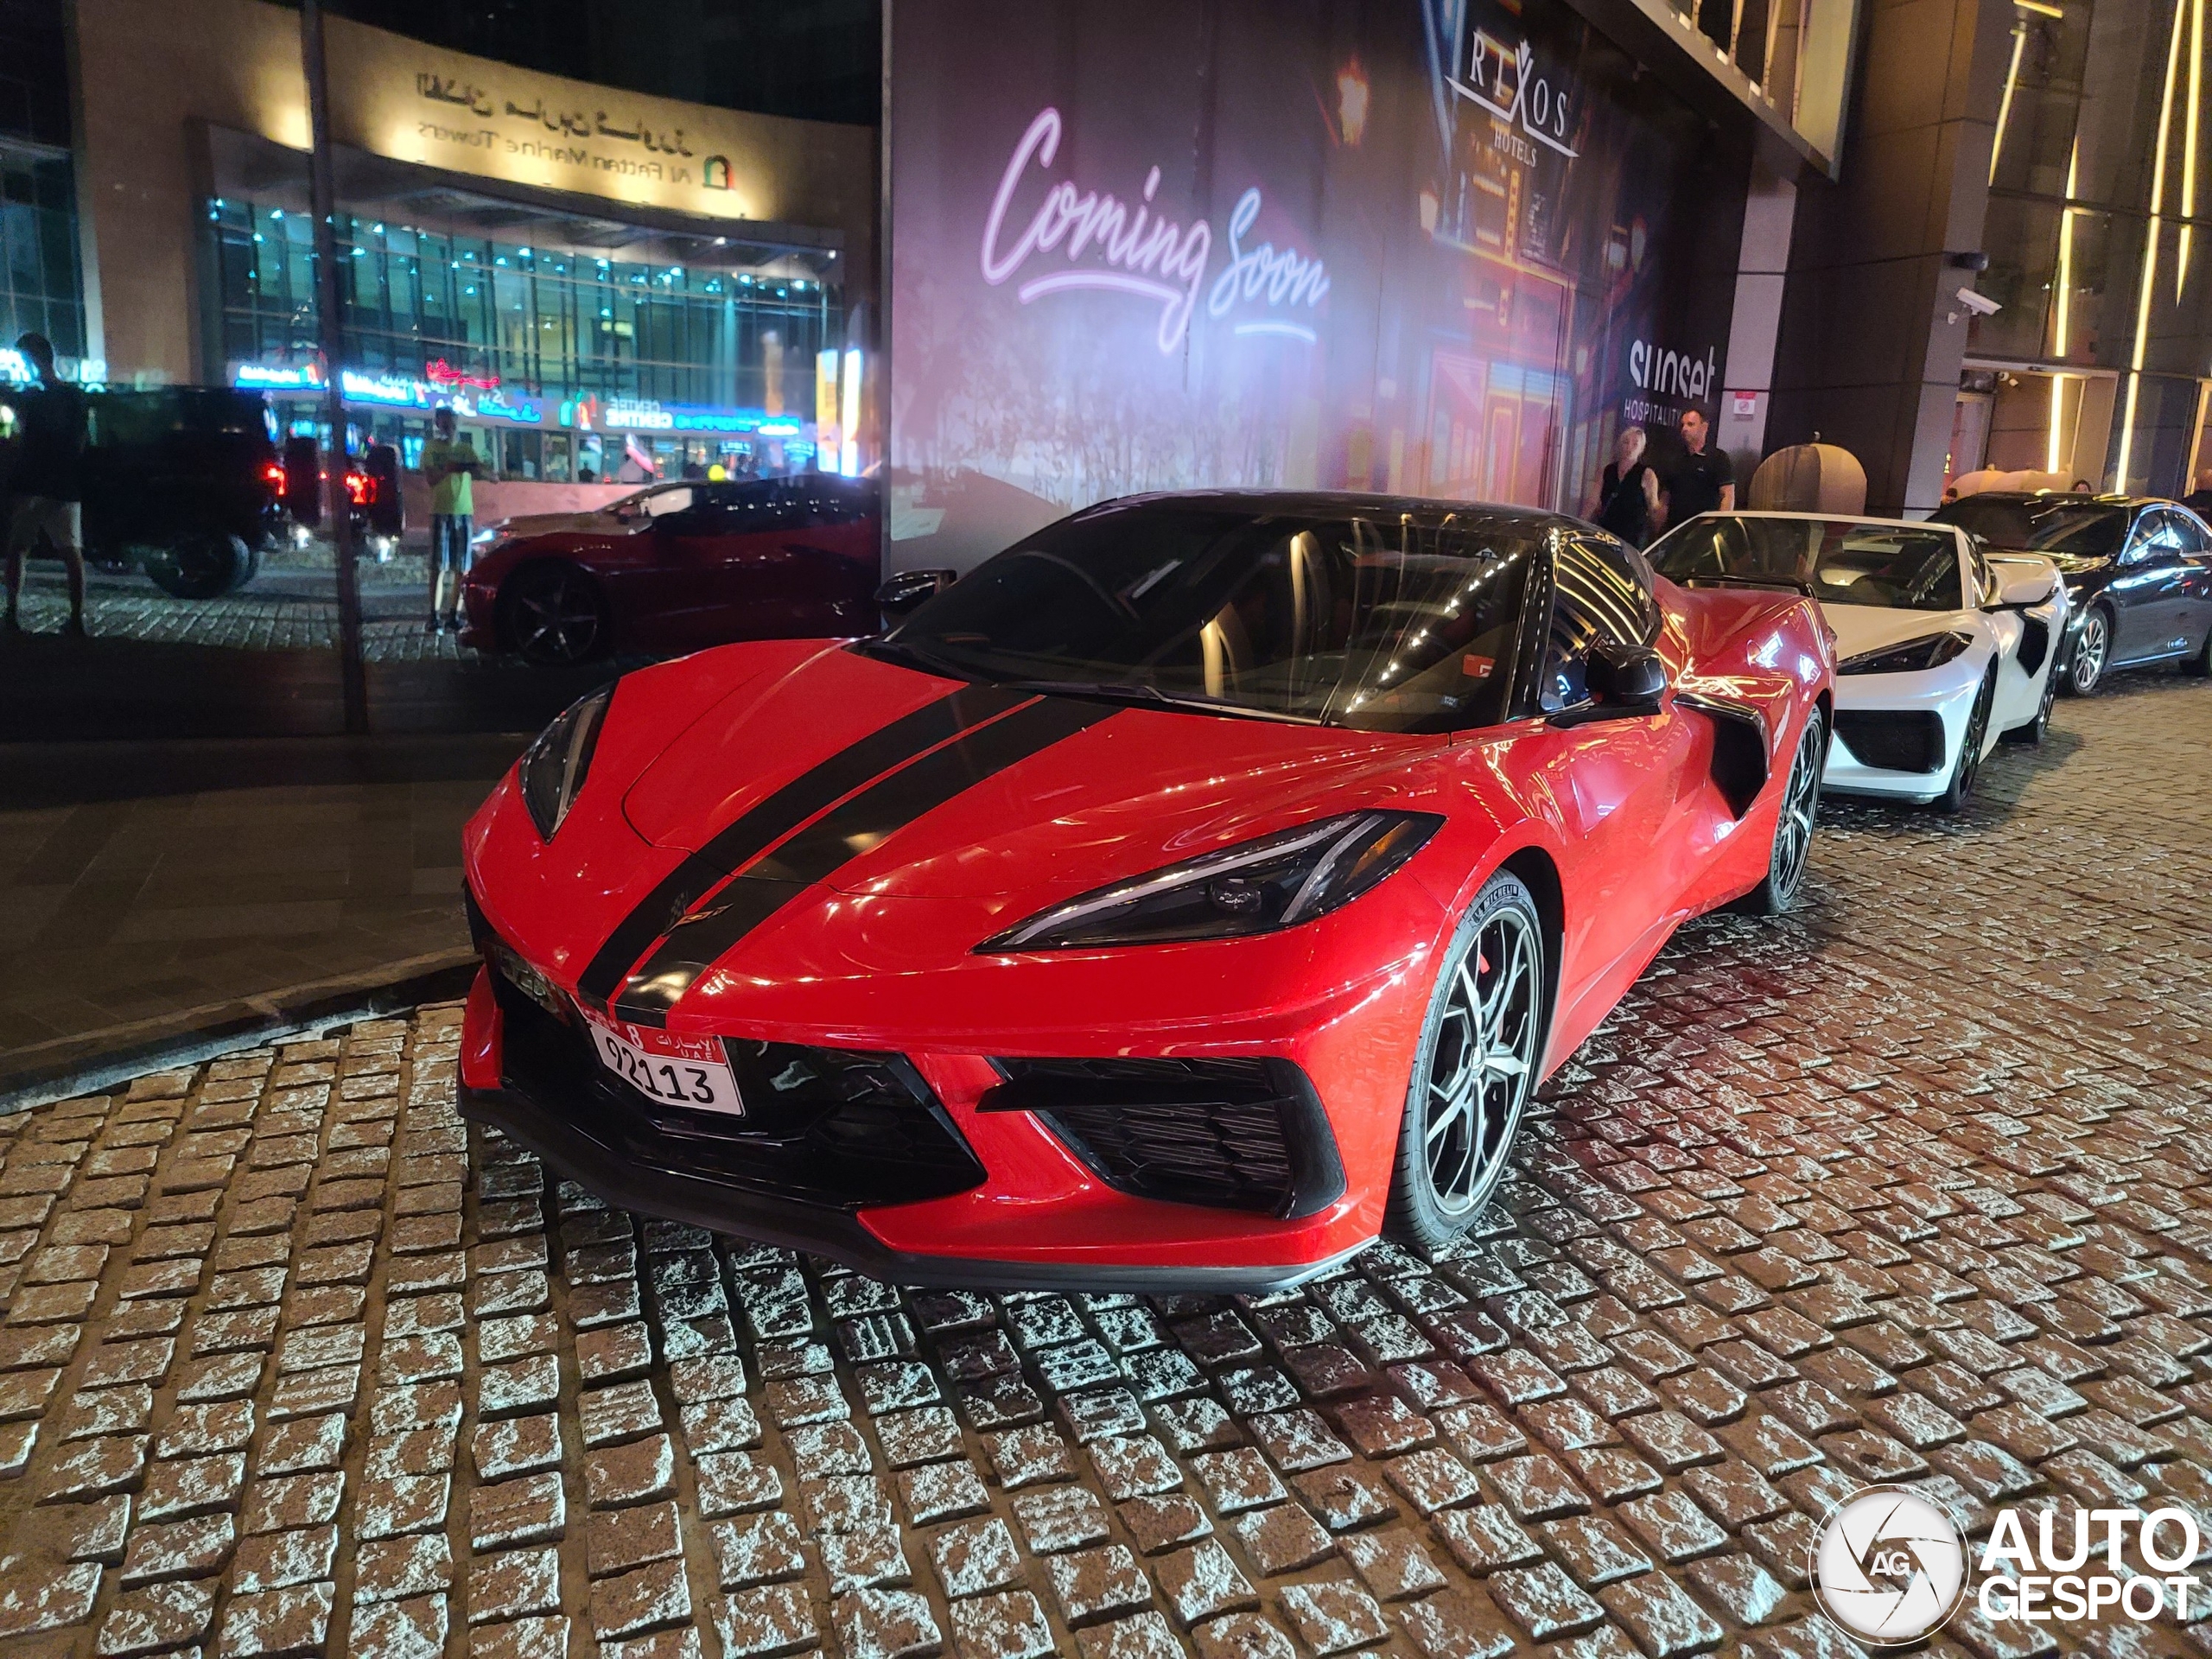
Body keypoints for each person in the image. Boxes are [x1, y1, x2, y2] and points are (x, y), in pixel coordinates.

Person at [2, 333, 90, 636]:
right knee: (71, 551)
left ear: (32, 359)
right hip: (64, 483)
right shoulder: (75, 395)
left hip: (31, 481)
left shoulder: (31, 396)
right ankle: (77, 618)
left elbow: (18, 436)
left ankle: (11, 612)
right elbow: (80, 442)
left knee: (18, 549)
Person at [421, 406, 480, 632]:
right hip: (441, 511)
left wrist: (474, 468)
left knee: (462, 568)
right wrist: (449, 469)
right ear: (438, 425)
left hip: (464, 512)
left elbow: (483, 472)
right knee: (438, 566)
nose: (450, 429)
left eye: (453, 425)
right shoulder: (431, 449)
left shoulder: (466, 449)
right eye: (445, 425)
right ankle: (434, 616)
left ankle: (454, 615)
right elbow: (431, 479)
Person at [1655, 402, 1734, 533]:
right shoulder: (1675, 458)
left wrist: (1720, 527)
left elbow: (1728, 495)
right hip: (1675, 530)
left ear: (1704, 427)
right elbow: (1665, 499)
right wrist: (1658, 530)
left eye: (1690, 424)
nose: (1684, 429)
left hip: (1703, 532)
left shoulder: (1718, 457)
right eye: (1683, 425)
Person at [1589, 424, 1659, 546]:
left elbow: (1653, 509)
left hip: (1632, 539)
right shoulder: (1607, 471)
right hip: (1607, 534)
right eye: (1626, 442)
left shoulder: (1647, 475)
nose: (1629, 448)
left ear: (1641, 449)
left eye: (1635, 444)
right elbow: (1592, 502)